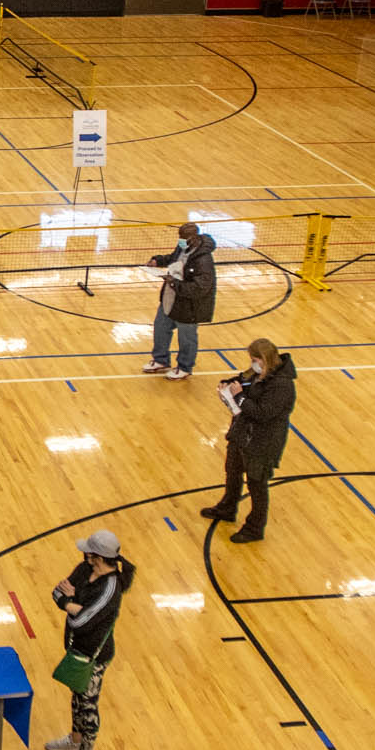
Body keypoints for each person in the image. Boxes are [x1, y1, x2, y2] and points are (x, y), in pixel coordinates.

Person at [44, 532, 135, 750]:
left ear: (100, 557)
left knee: (88, 705)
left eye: (89, 552)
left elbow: (80, 622)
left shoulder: (110, 589)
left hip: (94, 656)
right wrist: (72, 604)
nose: (84, 554)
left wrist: (70, 601)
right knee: (77, 695)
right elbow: (57, 593)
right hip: (77, 647)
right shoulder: (85, 569)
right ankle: (75, 739)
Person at [202, 339, 298, 543]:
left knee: (256, 484)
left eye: (255, 360)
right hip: (243, 433)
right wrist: (228, 383)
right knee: (233, 471)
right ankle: (227, 507)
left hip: (263, 442)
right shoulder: (258, 373)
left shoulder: (282, 385)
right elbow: (241, 380)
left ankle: (255, 527)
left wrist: (239, 397)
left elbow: (263, 413)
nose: (252, 364)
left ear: (264, 359)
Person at [141, 222, 217, 380]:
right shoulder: (183, 247)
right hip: (170, 298)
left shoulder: (203, 260)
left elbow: (200, 288)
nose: (180, 240)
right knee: (161, 328)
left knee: (186, 338)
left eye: (183, 238)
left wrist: (174, 283)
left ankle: (184, 367)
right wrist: (158, 261)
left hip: (189, 306)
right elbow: (173, 259)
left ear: (192, 238)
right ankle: (160, 359)